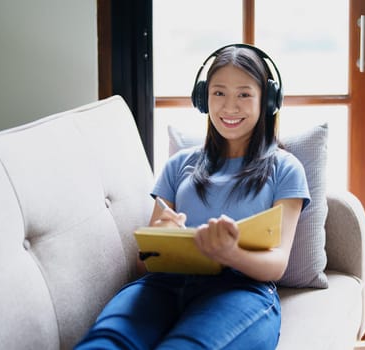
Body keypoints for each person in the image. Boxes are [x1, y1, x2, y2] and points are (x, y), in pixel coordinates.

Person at [75, 43, 310, 350]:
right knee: (103, 345)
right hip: (162, 285)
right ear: (203, 98)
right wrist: (161, 239)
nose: (229, 106)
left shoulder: (285, 168)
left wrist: (228, 253)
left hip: (241, 290)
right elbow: (143, 265)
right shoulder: (179, 164)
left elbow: (277, 264)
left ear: (266, 100)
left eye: (244, 94)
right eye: (218, 93)